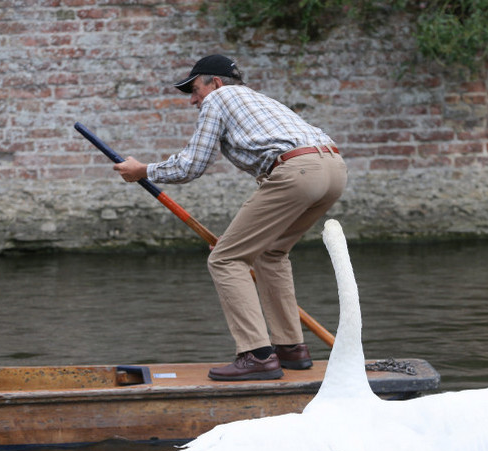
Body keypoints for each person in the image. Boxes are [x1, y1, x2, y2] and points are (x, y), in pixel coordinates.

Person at [114, 54, 347, 381]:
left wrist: (143, 170)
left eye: (194, 90)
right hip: (333, 169)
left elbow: (191, 165)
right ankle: (291, 349)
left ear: (216, 82)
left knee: (225, 260)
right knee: (270, 254)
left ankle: (257, 355)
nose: (193, 100)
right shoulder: (260, 99)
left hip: (298, 171)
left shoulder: (219, 99)